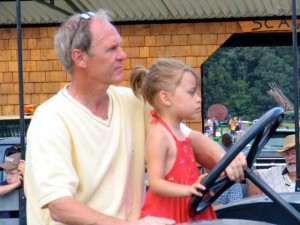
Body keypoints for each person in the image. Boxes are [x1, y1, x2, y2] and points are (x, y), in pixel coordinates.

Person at [24, 9, 246, 225]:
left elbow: (188, 139)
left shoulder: (131, 102)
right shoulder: (50, 119)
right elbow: (60, 206)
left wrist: (227, 159)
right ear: (80, 58)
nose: (123, 55)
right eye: (112, 49)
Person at [130, 58, 216, 223]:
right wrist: (189, 189)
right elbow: (155, 183)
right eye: (191, 93)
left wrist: (198, 185)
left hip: (188, 208)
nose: (198, 99)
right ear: (166, 98)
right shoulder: (159, 135)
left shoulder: (180, 133)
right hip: (169, 214)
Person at [0, 152, 23, 218]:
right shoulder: (5, 185)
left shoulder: (29, 186)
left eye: (12, 173)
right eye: (6, 173)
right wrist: (16, 184)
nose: (8, 177)